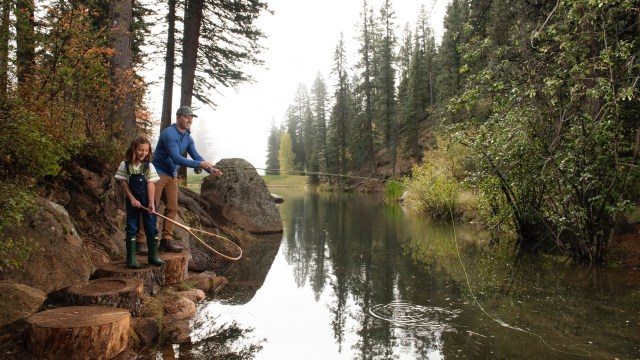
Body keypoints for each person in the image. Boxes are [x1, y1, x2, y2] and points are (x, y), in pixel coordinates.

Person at [139, 105, 222, 252]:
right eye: (186, 116)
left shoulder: (187, 137)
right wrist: (199, 164)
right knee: (151, 206)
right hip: (157, 174)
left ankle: (166, 241)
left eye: (191, 117)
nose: (189, 119)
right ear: (178, 117)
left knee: (172, 208)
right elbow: (176, 158)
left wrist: (210, 169)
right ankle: (140, 241)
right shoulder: (168, 134)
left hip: (172, 176)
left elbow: (196, 156)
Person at [115, 136, 165, 269]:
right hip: (132, 202)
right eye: (140, 150)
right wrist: (131, 198)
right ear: (134, 149)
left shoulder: (149, 166)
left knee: (151, 226)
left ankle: (153, 256)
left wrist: (151, 204)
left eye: (146, 151)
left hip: (147, 200)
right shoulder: (124, 165)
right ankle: (131, 259)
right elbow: (123, 183)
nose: (143, 153)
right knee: (132, 226)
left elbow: (150, 185)